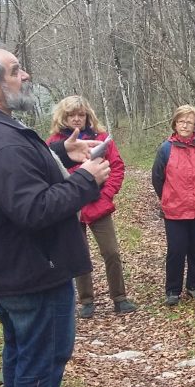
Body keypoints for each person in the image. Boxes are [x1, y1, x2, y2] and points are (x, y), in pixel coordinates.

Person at [0, 35, 110, 387]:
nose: (26, 75)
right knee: (42, 364)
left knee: (22, 351)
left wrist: (57, 153)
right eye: (15, 70)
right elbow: (32, 208)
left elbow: (9, 180)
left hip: (7, 269)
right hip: (32, 273)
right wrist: (86, 179)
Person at [46, 96, 138, 318]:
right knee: (79, 254)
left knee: (112, 252)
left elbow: (116, 168)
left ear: (88, 116)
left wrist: (106, 195)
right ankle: (86, 301)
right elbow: (48, 176)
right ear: (63, 117)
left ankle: (120, 298)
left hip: (98, 205)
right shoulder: (53, 144)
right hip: (70, 207)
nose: (76, 119)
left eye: (81, 114)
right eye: (71, 115)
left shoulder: (102, 139)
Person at [152, 105, 195, 307]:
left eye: (189, 122)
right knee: (176, 249)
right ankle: (172, 290)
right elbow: (157, 178)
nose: (184, 125)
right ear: (175, 124)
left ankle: (194, 286)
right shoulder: (166, 149)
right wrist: (167, 197)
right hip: (174, 209)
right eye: (181, 121)